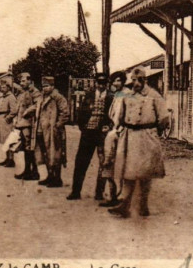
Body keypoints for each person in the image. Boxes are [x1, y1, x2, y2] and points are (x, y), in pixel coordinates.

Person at [109, 68, 170, 217]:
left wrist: (155, 132)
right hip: (129, 137)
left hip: (146, 137)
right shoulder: (128, 96)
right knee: (128, 172)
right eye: (134, 80)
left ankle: (143, 206)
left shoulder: (154, 96)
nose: (135, 83)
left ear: (145, 80)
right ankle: (125, 205)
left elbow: (163, 118)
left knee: (144, 173)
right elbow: (120, 115)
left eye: (139, 80)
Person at [67, 73, 112, 200]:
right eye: (99, 83)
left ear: (106, 83)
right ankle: (76, 191)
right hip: (88, 133)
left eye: (103, 83)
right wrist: (83, 128)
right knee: (81, 161)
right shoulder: (89, 95)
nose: (101, 85)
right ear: (96, 83)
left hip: (103, 134)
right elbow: (81, 112)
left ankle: (99, 192)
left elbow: (113, 115)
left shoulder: (111, 97)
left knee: (104, 162)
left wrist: (108, 127)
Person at [97, 70, 128, 207]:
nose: (116, 83)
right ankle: (112, 195)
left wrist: (119, 128)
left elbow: (125, 116)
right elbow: (113, 115)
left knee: (118, 165)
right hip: (113, 132)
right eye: (114, 81)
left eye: (118, 80)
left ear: (123, 81)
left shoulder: (127, 95)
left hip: (121, 133)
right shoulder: (116, 95)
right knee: (108, 162)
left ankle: (119, 196)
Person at [34, 76, 69, 187]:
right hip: (41, 129)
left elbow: (65, 113)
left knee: (56, 153)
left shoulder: (58, 98)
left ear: (53, 86)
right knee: (45, 153)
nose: (45, 88)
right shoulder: (41, 98)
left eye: (47, 86)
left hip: (53, 130)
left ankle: (57, 178)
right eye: (43, 86)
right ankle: (50, 176)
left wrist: (57, 125)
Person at [14, 72, 41, 180]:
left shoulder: (34, 92)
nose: (21, 83)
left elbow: (37, 104)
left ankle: (34, 172)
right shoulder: (23, 93)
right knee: (26, 147)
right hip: (22, 123)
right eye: (20, 81)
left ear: (30, 81)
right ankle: (27, 170)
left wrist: (27, 111)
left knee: (30, 147)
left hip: (30, 123)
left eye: (24, 81)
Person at [0, 80, 18, 165]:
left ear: (8, 87)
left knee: (9, 140)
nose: (2, 89)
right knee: (4, 140)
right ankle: (7, 158)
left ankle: (11, 160)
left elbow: (14, 110)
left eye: (4, 87)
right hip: (0, 120)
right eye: (1, 87)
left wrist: (8, 118)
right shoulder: (2, 96)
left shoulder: (11, 97)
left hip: (6, 121)